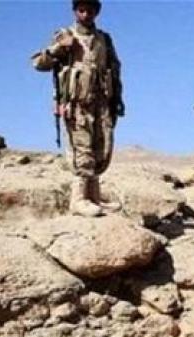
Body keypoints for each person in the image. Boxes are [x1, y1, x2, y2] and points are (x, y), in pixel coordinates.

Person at [31, 0, 123, 217]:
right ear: (75, 12)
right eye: (81, 10)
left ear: (96, 12)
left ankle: (94, 196)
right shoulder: (65, 36)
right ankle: (78, 199)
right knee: (82, 149)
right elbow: (39, 64)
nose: (85, 14)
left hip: (102, 103)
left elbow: (114, 70)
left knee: (101, 149)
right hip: (77, 104)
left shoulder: (104, 39)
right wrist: (59, 48)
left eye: (90, 10)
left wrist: (117, 99)